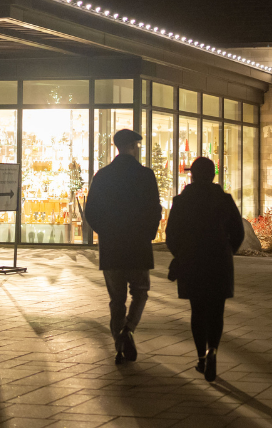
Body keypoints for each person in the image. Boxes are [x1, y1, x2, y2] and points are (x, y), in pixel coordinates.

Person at [82, 128, 162, 365]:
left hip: (113, 245)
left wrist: (105, 232)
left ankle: (119, 345)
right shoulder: (145, 175)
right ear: (133, 147)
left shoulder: (103, 176)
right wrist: (148, 233)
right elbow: (154, 209)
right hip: (137, 244)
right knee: (140, 291)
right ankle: (128, 329)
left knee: (116, 299)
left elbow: (91, 211)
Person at [164, 156, 245, 382]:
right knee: (216, 311)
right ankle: (213, 350)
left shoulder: (181, 201)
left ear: (192, 175)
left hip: (192, 262)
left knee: (197, 311)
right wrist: (228, 251)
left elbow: (171, 235)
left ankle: (201, 357)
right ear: (213, 175)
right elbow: (238, 232)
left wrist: (180, 254)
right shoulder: (224, 200)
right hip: (219, 262)